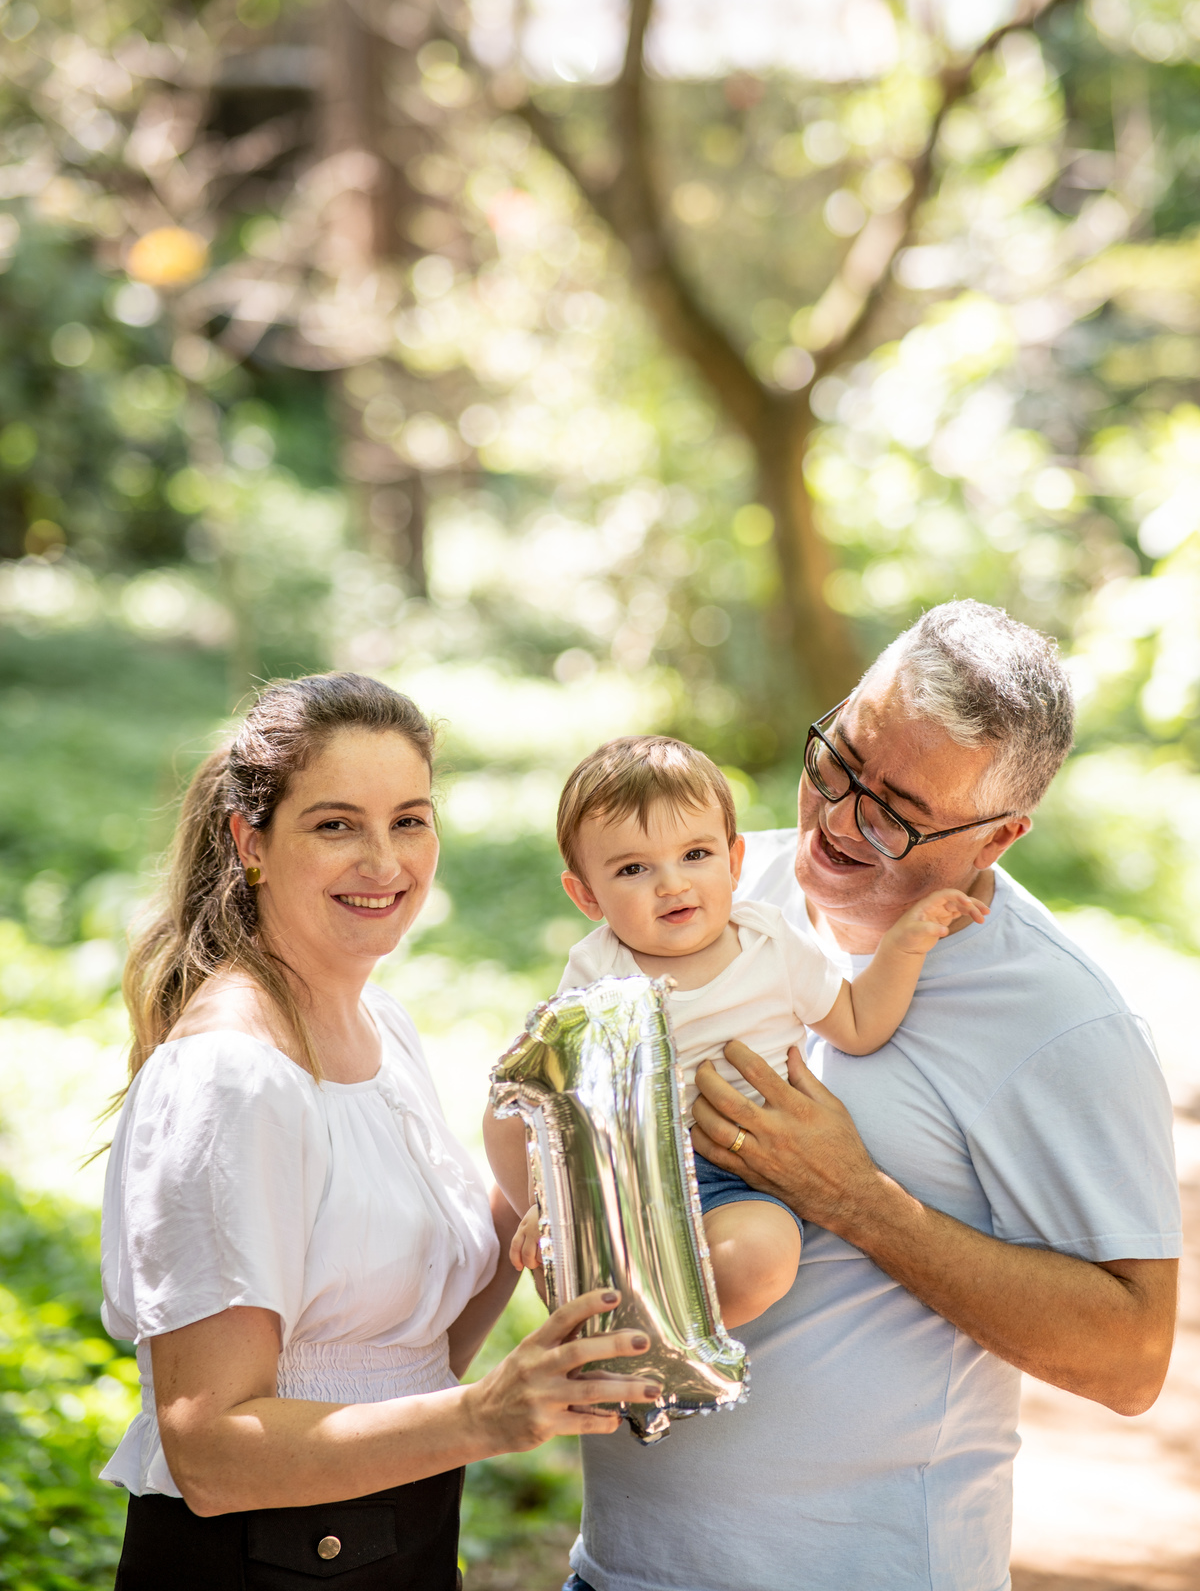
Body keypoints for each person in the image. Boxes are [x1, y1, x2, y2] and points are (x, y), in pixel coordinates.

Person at [563, 601, 1182, 1591]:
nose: (840, 819)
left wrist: (856, 1199)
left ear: (1000, 837)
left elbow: (1131, 1356)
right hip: (615, 1570)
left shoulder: (1063, 1023)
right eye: (840, 762)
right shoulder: (713, 887)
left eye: (895, 809)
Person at [98, 672, 659, 1591]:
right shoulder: (230, 1077)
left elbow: (399, 1348)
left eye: (409, 819)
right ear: (251, 842)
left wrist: (555, 1180)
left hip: (401, 1534)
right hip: (260, 1565)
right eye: (335, 825)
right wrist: (484, 1417)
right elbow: (210, 1450)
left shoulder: (381, 1025)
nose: (387, 862)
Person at [485, 735, 985, 1327]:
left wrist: (903, 947)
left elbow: (857, 1025)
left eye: (694, 855)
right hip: (626, 1172)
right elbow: (569, 1095)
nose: (671, 884)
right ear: (587, 895)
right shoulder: (596, 969)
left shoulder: (769, 941)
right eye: (634, 869)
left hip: (743, 1179)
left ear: (735, 861)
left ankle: (657, 1332)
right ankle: (583, 1265)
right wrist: (554, 1192)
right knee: (504, 1115)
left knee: (762, 1261)